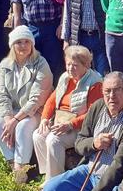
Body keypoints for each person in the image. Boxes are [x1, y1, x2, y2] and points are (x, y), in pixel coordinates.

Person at [0, 26, 53, 177]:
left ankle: (21, 168)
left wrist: (15, 121)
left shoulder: (41, 63)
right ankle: (12, 164)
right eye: (19, 42)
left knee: (22, 127)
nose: (23, 46)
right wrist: (8, 118)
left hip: (35, 111)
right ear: (12, 45)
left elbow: (37, 98)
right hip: (13, 110)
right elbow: (1, 93)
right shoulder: (5, 65)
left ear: (32, 44)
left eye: (26, 42)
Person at [33, 45, 103, 181]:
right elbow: (52, 100)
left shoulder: (95, 83)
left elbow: (92, 114)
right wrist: (44, 119)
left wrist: (70, 124)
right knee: (38, 135)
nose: (70, 68)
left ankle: (55, 180)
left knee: (54, 140)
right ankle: (46, 173)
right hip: (60, 121)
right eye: (68, 64)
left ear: (86, 65)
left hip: (80, 127)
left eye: (75, 65)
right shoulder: (65, 77)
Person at [61, 0, 109, 75]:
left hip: (99, 36)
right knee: (81, 73)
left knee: (101, 72)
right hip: (80, 36)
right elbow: (67, 15)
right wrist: (66, 39)